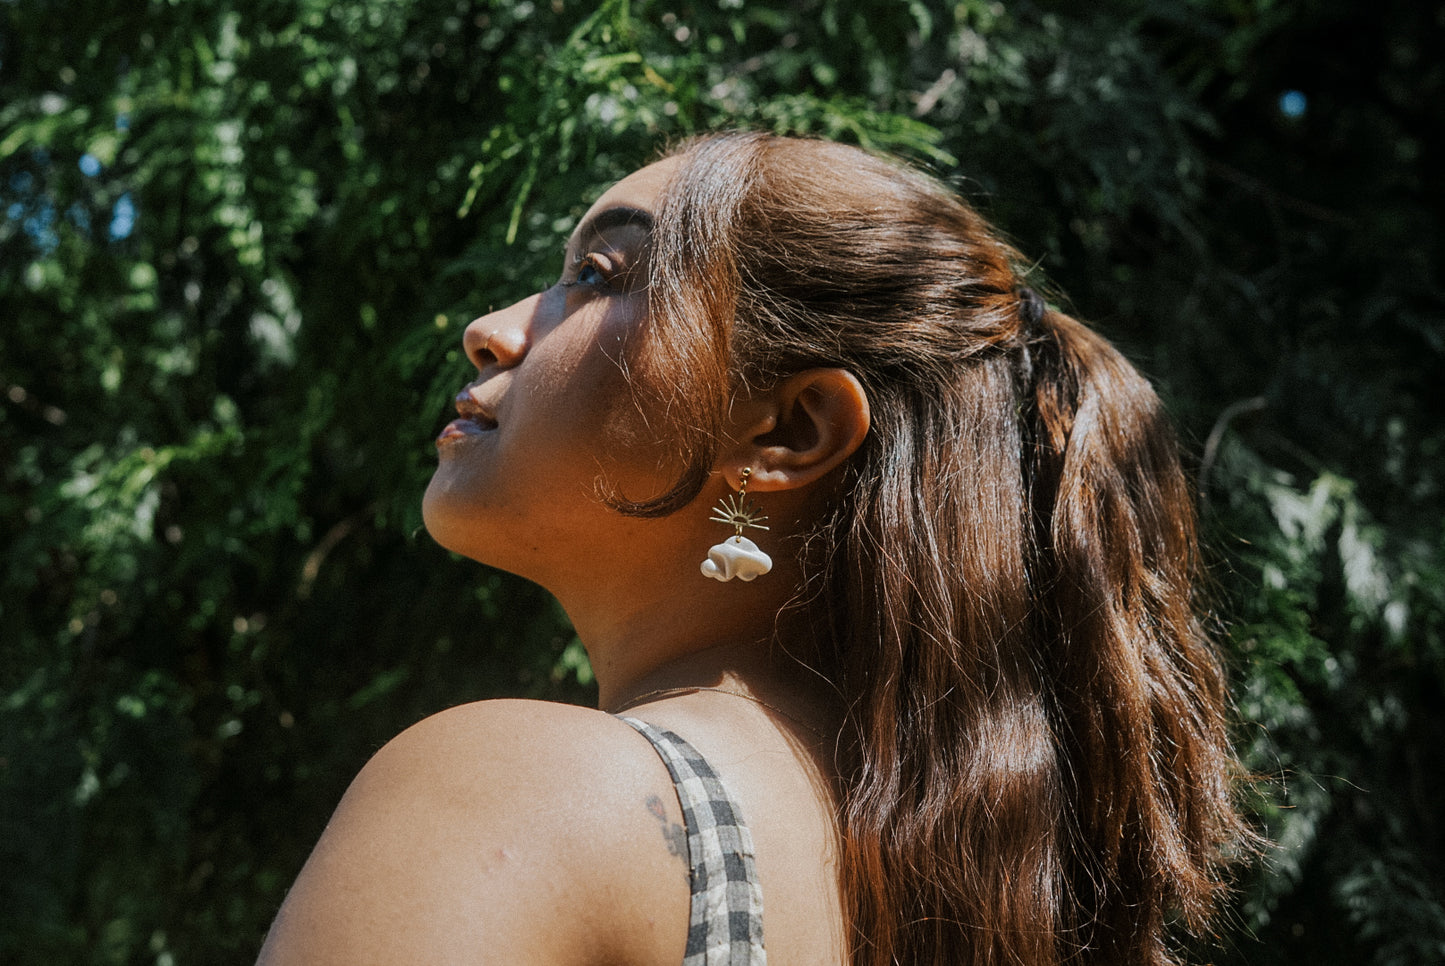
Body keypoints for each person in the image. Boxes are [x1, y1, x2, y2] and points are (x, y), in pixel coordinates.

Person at [257, 132, 1252, 966]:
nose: (489, 330)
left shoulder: (524, 794)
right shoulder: (987, 912)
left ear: (785, 432)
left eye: (597, 277)